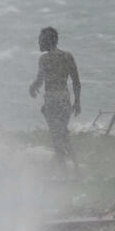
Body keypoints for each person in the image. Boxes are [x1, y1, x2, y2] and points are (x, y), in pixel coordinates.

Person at [28, 27, 80, 170]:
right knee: (63, 133)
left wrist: (32, 87)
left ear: (47, 41)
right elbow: (76, 81)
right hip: (64, 99)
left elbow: (40, 80)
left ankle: (62, 170)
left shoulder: (44, 59)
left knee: (57, 136)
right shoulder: (67, 56)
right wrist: (77, 102)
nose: (38, 42)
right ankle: (75, 167)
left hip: (52, 100)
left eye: (40, 40)